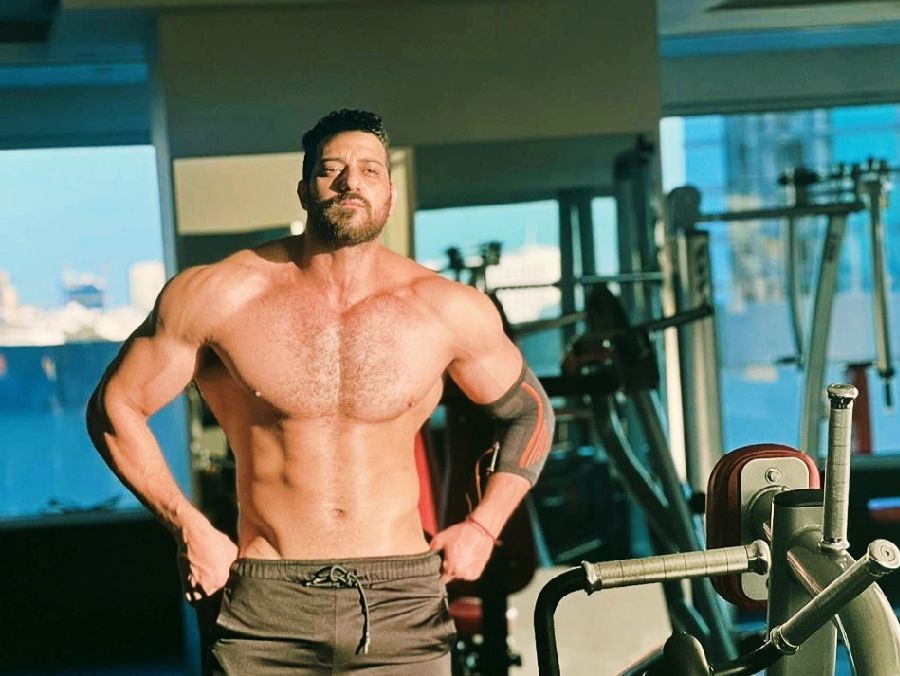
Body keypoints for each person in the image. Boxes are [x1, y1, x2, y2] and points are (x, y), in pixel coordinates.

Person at [86, 109, 554, 675]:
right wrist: (189, 526)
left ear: (389, 194)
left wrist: (483, 527)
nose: (351, 182)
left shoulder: (445, 309)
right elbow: (115, 409)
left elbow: (531, 413)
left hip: (401, 597)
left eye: (370, 170)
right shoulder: (220, 295)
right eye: (332, 169)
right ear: (306, 189)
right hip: (268, 599)